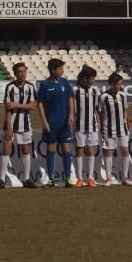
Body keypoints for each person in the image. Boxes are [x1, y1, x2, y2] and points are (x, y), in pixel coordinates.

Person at [37, 58, 76, 188]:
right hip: (51, 124)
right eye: (60, 69)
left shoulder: (65, 82)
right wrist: (44, 121)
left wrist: (71, 115)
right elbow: (40, 104)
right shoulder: (44, 84)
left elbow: (70, 98)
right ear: (53, 70)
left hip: (65, 124)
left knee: (66, 150)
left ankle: (68, 178)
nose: (62, 71)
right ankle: (51, 179)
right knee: (51, 150)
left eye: (62, 68)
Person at [99, 73, 132, 187]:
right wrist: (101, 126)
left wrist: (127, 122)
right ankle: (108, 178)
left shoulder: (123, 95)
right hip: (109, 129)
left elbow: (124, 111)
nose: (120, 86)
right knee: (108, 152)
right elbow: (100, 113)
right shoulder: (103, 97)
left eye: (121, 84)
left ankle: (125, 177)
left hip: (122, 129)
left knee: (125, 151)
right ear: (111, 84)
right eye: (118, 84)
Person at [73, 65, 101, 188]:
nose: (93, 80)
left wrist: (99, 122)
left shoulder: (95, 90)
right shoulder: (75, 90)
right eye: (92, 78)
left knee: (90, 150)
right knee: (79, 150)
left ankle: (90, 178)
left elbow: (96, 109)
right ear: (85, 78)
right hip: (79, 125)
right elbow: (72, 109)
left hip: (92, 126)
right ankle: (79, 178)